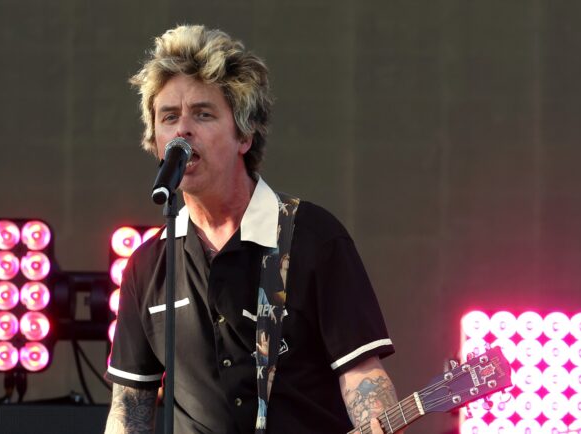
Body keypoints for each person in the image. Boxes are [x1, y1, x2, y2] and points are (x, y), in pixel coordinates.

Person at [104, 24, 403, 434]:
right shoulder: (148, 265)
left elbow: (362, 375)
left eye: (203, 114)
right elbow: (129, 409)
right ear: (155, 140)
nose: (182, 130)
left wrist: (378, 420)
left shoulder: (313, 237)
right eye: (169, 117)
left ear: (244, 134)